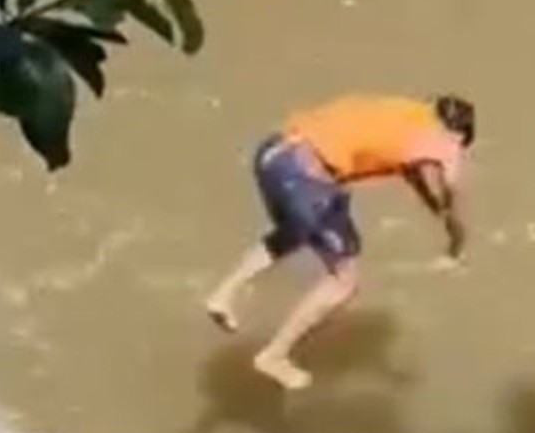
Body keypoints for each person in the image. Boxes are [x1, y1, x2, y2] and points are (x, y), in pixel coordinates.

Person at [203, 93, 476, 391]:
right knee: (344, 281)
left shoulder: (402, 113)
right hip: (307, 175)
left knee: (295, 231)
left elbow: (416, 178)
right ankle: (274, 355)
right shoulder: (445, 139)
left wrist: (439, 214)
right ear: (459, 134)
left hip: (273, 155)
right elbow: (450, 188)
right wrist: (457, 238)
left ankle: (223, 294)